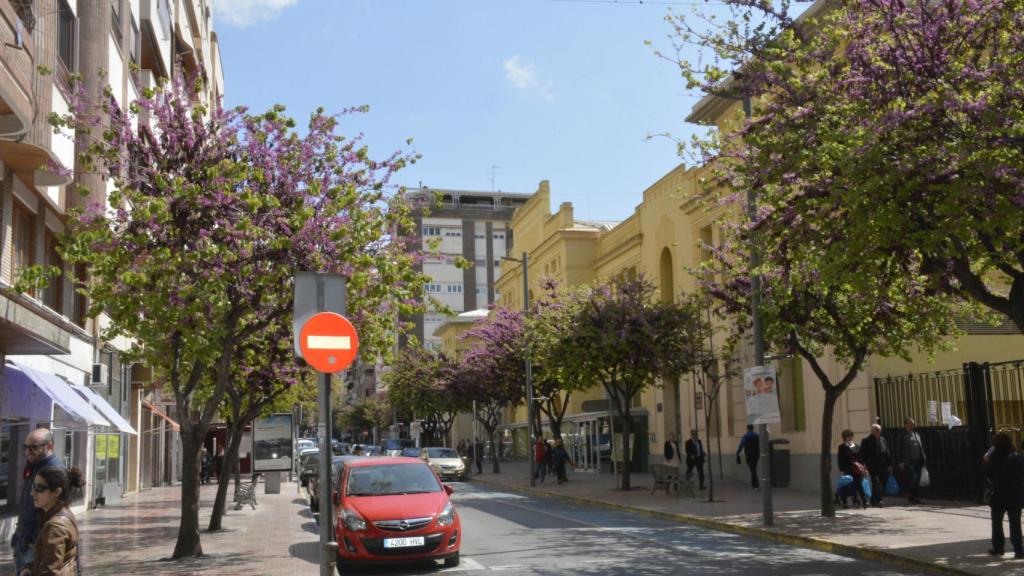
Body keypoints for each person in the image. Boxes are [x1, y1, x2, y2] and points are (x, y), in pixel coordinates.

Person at [11, 428, 63, 575]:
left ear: (49, 446)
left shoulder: (54, 470)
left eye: (34, 447)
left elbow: (56, 511)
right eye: (25, 447)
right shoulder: (35, 466)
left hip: (35, 544)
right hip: (24, 540)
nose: (27, 452)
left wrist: (37, 542)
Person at [19, 466, 86, 576]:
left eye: (40, 488)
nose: (33, 493)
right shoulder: (64, 513)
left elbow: (49, 571)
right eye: (33, 486)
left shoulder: (55, 526)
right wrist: (29, 568)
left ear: (56, 492)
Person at [984, 431, 1024, 558]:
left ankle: (998, 548)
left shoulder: (993, 458)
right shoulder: (1018, 457)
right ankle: (1019, 550)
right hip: (1015, 494)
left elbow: (986, 473)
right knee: (1015, 523)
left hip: (998, 494)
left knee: (996, 522)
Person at [859, 424, 893, 507]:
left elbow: (887, 452)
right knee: (876, 482)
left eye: (880, 430)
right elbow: (862, 455)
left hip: (883, 465)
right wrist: (864, 466)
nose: (879, 432)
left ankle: (873, 500)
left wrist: (889, 465)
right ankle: (879, 500)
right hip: (872, 466)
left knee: (881, 482)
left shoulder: (882, 439)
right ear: (872, 431)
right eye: (877, 430)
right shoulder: (866, 440)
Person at [897, 418, 927, 504]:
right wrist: (901, 461)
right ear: (905, 425)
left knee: (917, 479)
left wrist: (923, 457)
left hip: (918, 460)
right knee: (912, 479)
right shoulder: (902, 436)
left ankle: (916, 497)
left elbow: (920, 447)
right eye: (909, 424)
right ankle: (911, 497)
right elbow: (899, 449)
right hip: (908, 461)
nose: (911, 425)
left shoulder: (916, 434)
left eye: (913, 424)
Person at [837, 429, 868, 509]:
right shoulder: (842, 447)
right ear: (845, 437)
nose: (850, 437)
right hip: (848, 469)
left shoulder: (857, 446)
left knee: (859, 485)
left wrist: (864, 468)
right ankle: (844, 502)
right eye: (848, 436)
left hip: (857, 470)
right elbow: (840, 459)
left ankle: (864, 501)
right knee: (846, 485)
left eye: (851, 436)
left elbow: (861, 458)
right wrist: (842, 469)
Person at [736, 424, 760, 490]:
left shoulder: (746, 436)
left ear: (747, 429)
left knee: (752, 469)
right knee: (753, 468)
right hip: (756, 454)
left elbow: (741, 445)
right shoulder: (757, 435)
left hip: (749, 455)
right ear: (752, 428)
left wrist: (738, 453)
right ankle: (754, 484)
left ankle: (755, 485)